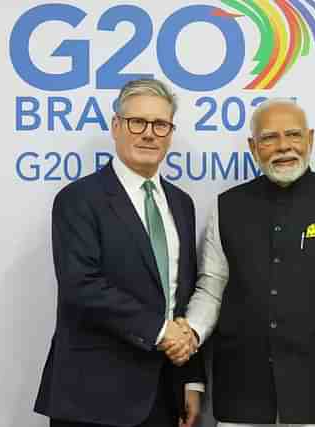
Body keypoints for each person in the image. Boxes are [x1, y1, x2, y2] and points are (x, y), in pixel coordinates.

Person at [183, 98, 315, 427]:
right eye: (269, 138)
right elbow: (211, 291)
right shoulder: (227, 206)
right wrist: (190, 334)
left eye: (294, 135)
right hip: (243, 401)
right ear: (253, 147)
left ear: (310, 139)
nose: (284, 147)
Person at [34, 78, 205, 427]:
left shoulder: (181, 203)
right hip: (92, 399)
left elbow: (181, 297)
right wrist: (160, 331)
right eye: (137, 122)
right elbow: (81, 286)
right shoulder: (79, 199)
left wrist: (191, 379)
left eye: (160, 124)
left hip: (163, 396)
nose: (149, 133)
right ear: (116, 126)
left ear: (170, 132)